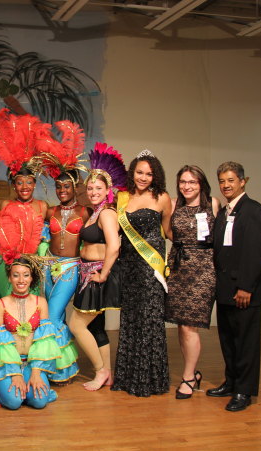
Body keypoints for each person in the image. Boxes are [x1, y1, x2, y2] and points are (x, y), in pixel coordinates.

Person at [0, 201, 61, 409]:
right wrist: (15, 373)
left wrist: (35, 372)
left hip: (33, 362)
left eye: (25, 275)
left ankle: (33, 382)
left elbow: (44, 341)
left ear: (31, 278)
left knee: (38, 401)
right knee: (14, 402)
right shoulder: (0, 304)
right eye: (16, 275)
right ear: (9, 278)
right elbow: (0, 344)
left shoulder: (40, 303)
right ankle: (7, 388)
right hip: (8, 364)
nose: (21, 280)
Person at [207, 161, 261, 412]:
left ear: (243, 181)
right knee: (228, 340)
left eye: (231, 180)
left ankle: (244, 391)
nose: (226, 185)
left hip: (244, 291)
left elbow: (255, 253)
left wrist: (246, 287)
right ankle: (231, 382)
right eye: (222, 181)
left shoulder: (254, 211)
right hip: (224, 288)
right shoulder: (223, 212)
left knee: (246, 343)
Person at [111, 149, 172, 397]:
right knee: (131, 320)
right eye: (139, 172)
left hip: (150, 268)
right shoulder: (122, 197)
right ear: (132, 172)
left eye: (149, 173)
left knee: (150, 320)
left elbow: (168, 232)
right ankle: (127, 378)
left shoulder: (163, 198)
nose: (144, 177)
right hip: (128, 265)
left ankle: (150, 380)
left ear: (155, 175)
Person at [71, 142, 127, 391]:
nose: (93, 191)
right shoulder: (95, 213)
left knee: (76, 324)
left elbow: (114, 246)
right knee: (96, 327)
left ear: (108, 190)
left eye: (98, 188)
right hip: (89, 273)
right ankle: (109, 373)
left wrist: (103, 275)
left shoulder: (107, 214)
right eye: (90, 187)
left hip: (98, 274)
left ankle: (100, 370)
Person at [40, 121, 91, 383]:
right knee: (52, 314)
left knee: (53, 313)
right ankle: (57, 367)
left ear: (74, 188)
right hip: (49, 266)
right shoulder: (51, 211)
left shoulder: (85, 212)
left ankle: (56, 366)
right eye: (58, 188)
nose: (62, 191)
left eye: (66, 187)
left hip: (71, 267)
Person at [165, 165, 220, 399]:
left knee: (190, 326)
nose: (187, 186)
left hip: (204, 269)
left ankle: (188, 378)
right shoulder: (174, 203)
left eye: (192, 182)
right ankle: (192, 374)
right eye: (183, 182)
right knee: (181, 324)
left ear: (201, 184)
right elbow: (168, 232)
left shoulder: (213, 204)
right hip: (178, 267)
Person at [0, 110, 51, 298]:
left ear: (34, 184)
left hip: (32, 266)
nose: (24, 186)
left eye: (29, 182)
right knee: (5, 300)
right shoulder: (5, 205)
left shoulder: (42, 206)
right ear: (13, 185)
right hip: (6, 263)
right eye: (19, 182)